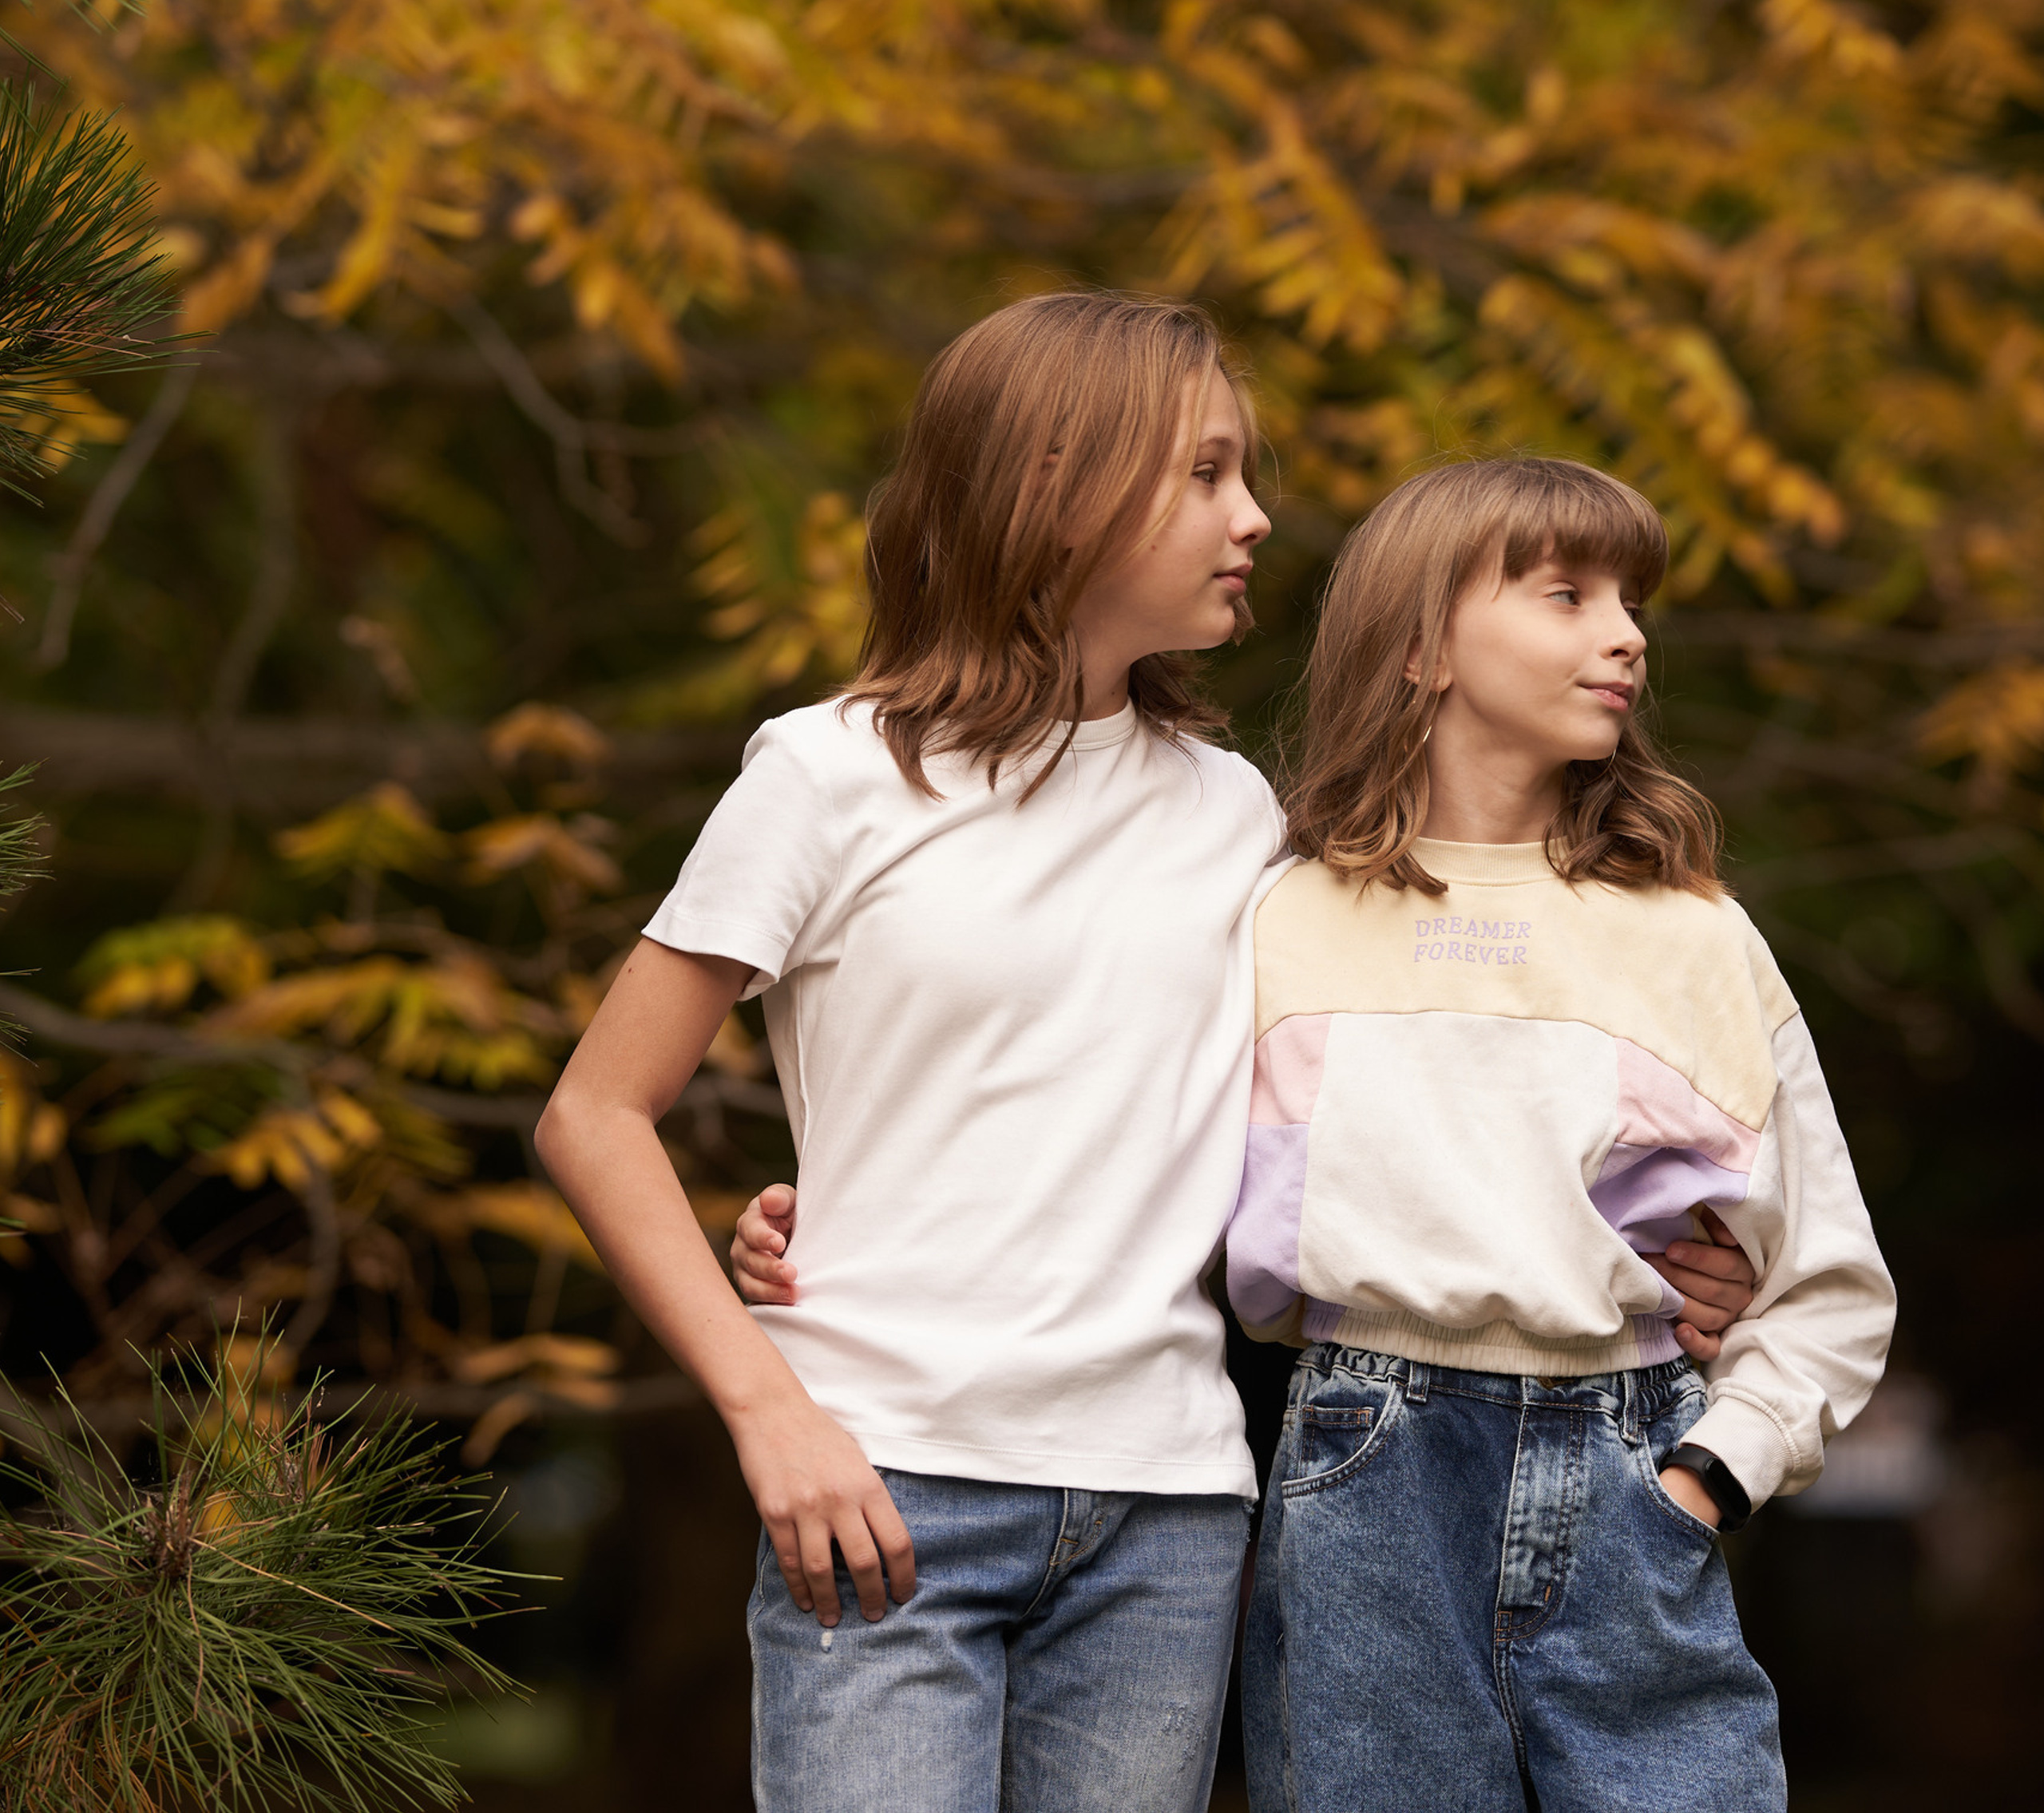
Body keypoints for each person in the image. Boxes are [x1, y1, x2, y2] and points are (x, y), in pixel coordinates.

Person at [541, 294, 1756, 1813]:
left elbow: (1385, 1107)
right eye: (1204, 475)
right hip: (881, 1487)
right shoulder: (826, 777)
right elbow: (597, 1114)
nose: (1252, 516)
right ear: (1054, 484)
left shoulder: (1241, 818)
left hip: (1170, 1517)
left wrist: (1660, 1261)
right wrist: (766, 1406)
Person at [1227, 457, 1895, 1812]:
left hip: (1634, 1473)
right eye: (1566, 595)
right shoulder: (1273, 921)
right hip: (1365, 1482)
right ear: (1421, 645)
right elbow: (1127, 1202)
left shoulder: (1694, 935)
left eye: (1631, 600)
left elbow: (1828, 1282)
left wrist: (1712, 1473)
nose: (1627, 633)